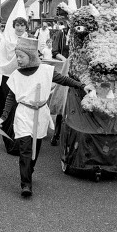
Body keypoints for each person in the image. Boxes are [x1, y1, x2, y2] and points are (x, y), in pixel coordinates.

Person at [0, 37, 89, 197]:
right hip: (24, 113)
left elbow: (63, 79)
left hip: (40, 113)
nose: (18, 59)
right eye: (16, 56)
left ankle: (29, 168)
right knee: (25, 148)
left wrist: (81, 85)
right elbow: (11, 97)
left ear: (31, 56)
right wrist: (3, 117)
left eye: (21, 56)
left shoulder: (46, 71)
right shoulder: (16, 75)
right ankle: (26, 184)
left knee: (35, 147)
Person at [0, 11, 29, 154]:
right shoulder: (6, 39)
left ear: (26, 27)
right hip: (6, 78)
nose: (20, 28)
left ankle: (21, 140)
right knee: (7, 108)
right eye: (17, 25)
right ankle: (9, 141)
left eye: (23, 25)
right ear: (14, 26)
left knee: (21, 109)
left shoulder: (28, 40)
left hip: (22, 78)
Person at [49, 16, 70, 145]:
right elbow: (54, 51)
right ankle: (57, 133)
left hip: (78, 69)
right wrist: (65, 60)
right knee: (62, 99)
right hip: (64, 67)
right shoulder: (61, 34)